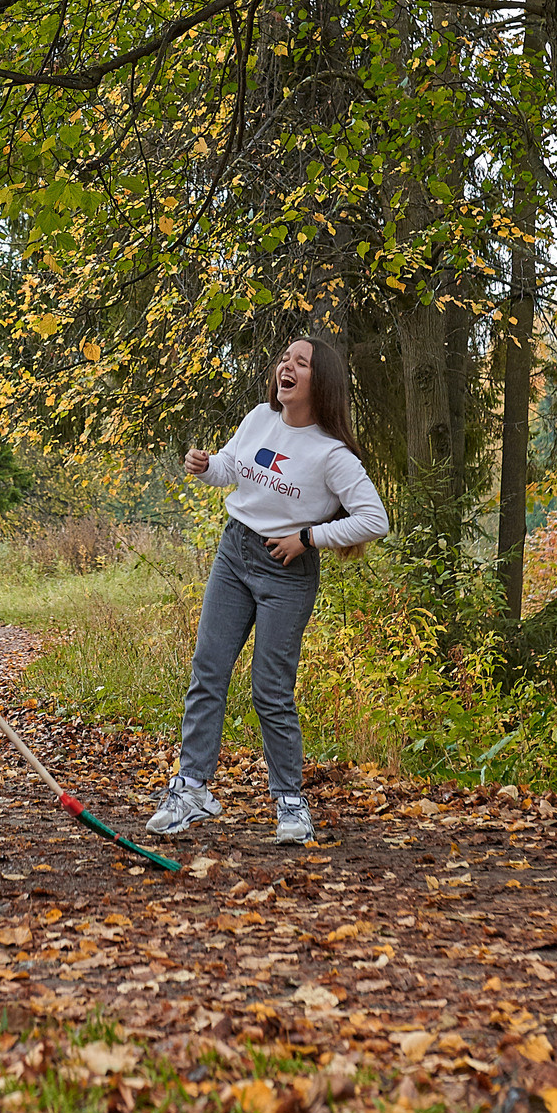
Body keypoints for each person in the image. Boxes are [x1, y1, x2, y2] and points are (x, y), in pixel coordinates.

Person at [150, 337, 388, 845]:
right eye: (285, 358)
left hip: (286, 572)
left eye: (300, 363)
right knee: (208, 671)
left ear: (318, 382)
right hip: (235, 553)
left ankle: (291, 804)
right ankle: (192, 790)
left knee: (270, 690)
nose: (287, 366)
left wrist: (308, 538)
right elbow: (234, 470)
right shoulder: (259, 417)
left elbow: (375, 519)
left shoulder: (332, 454)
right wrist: (206, 465)